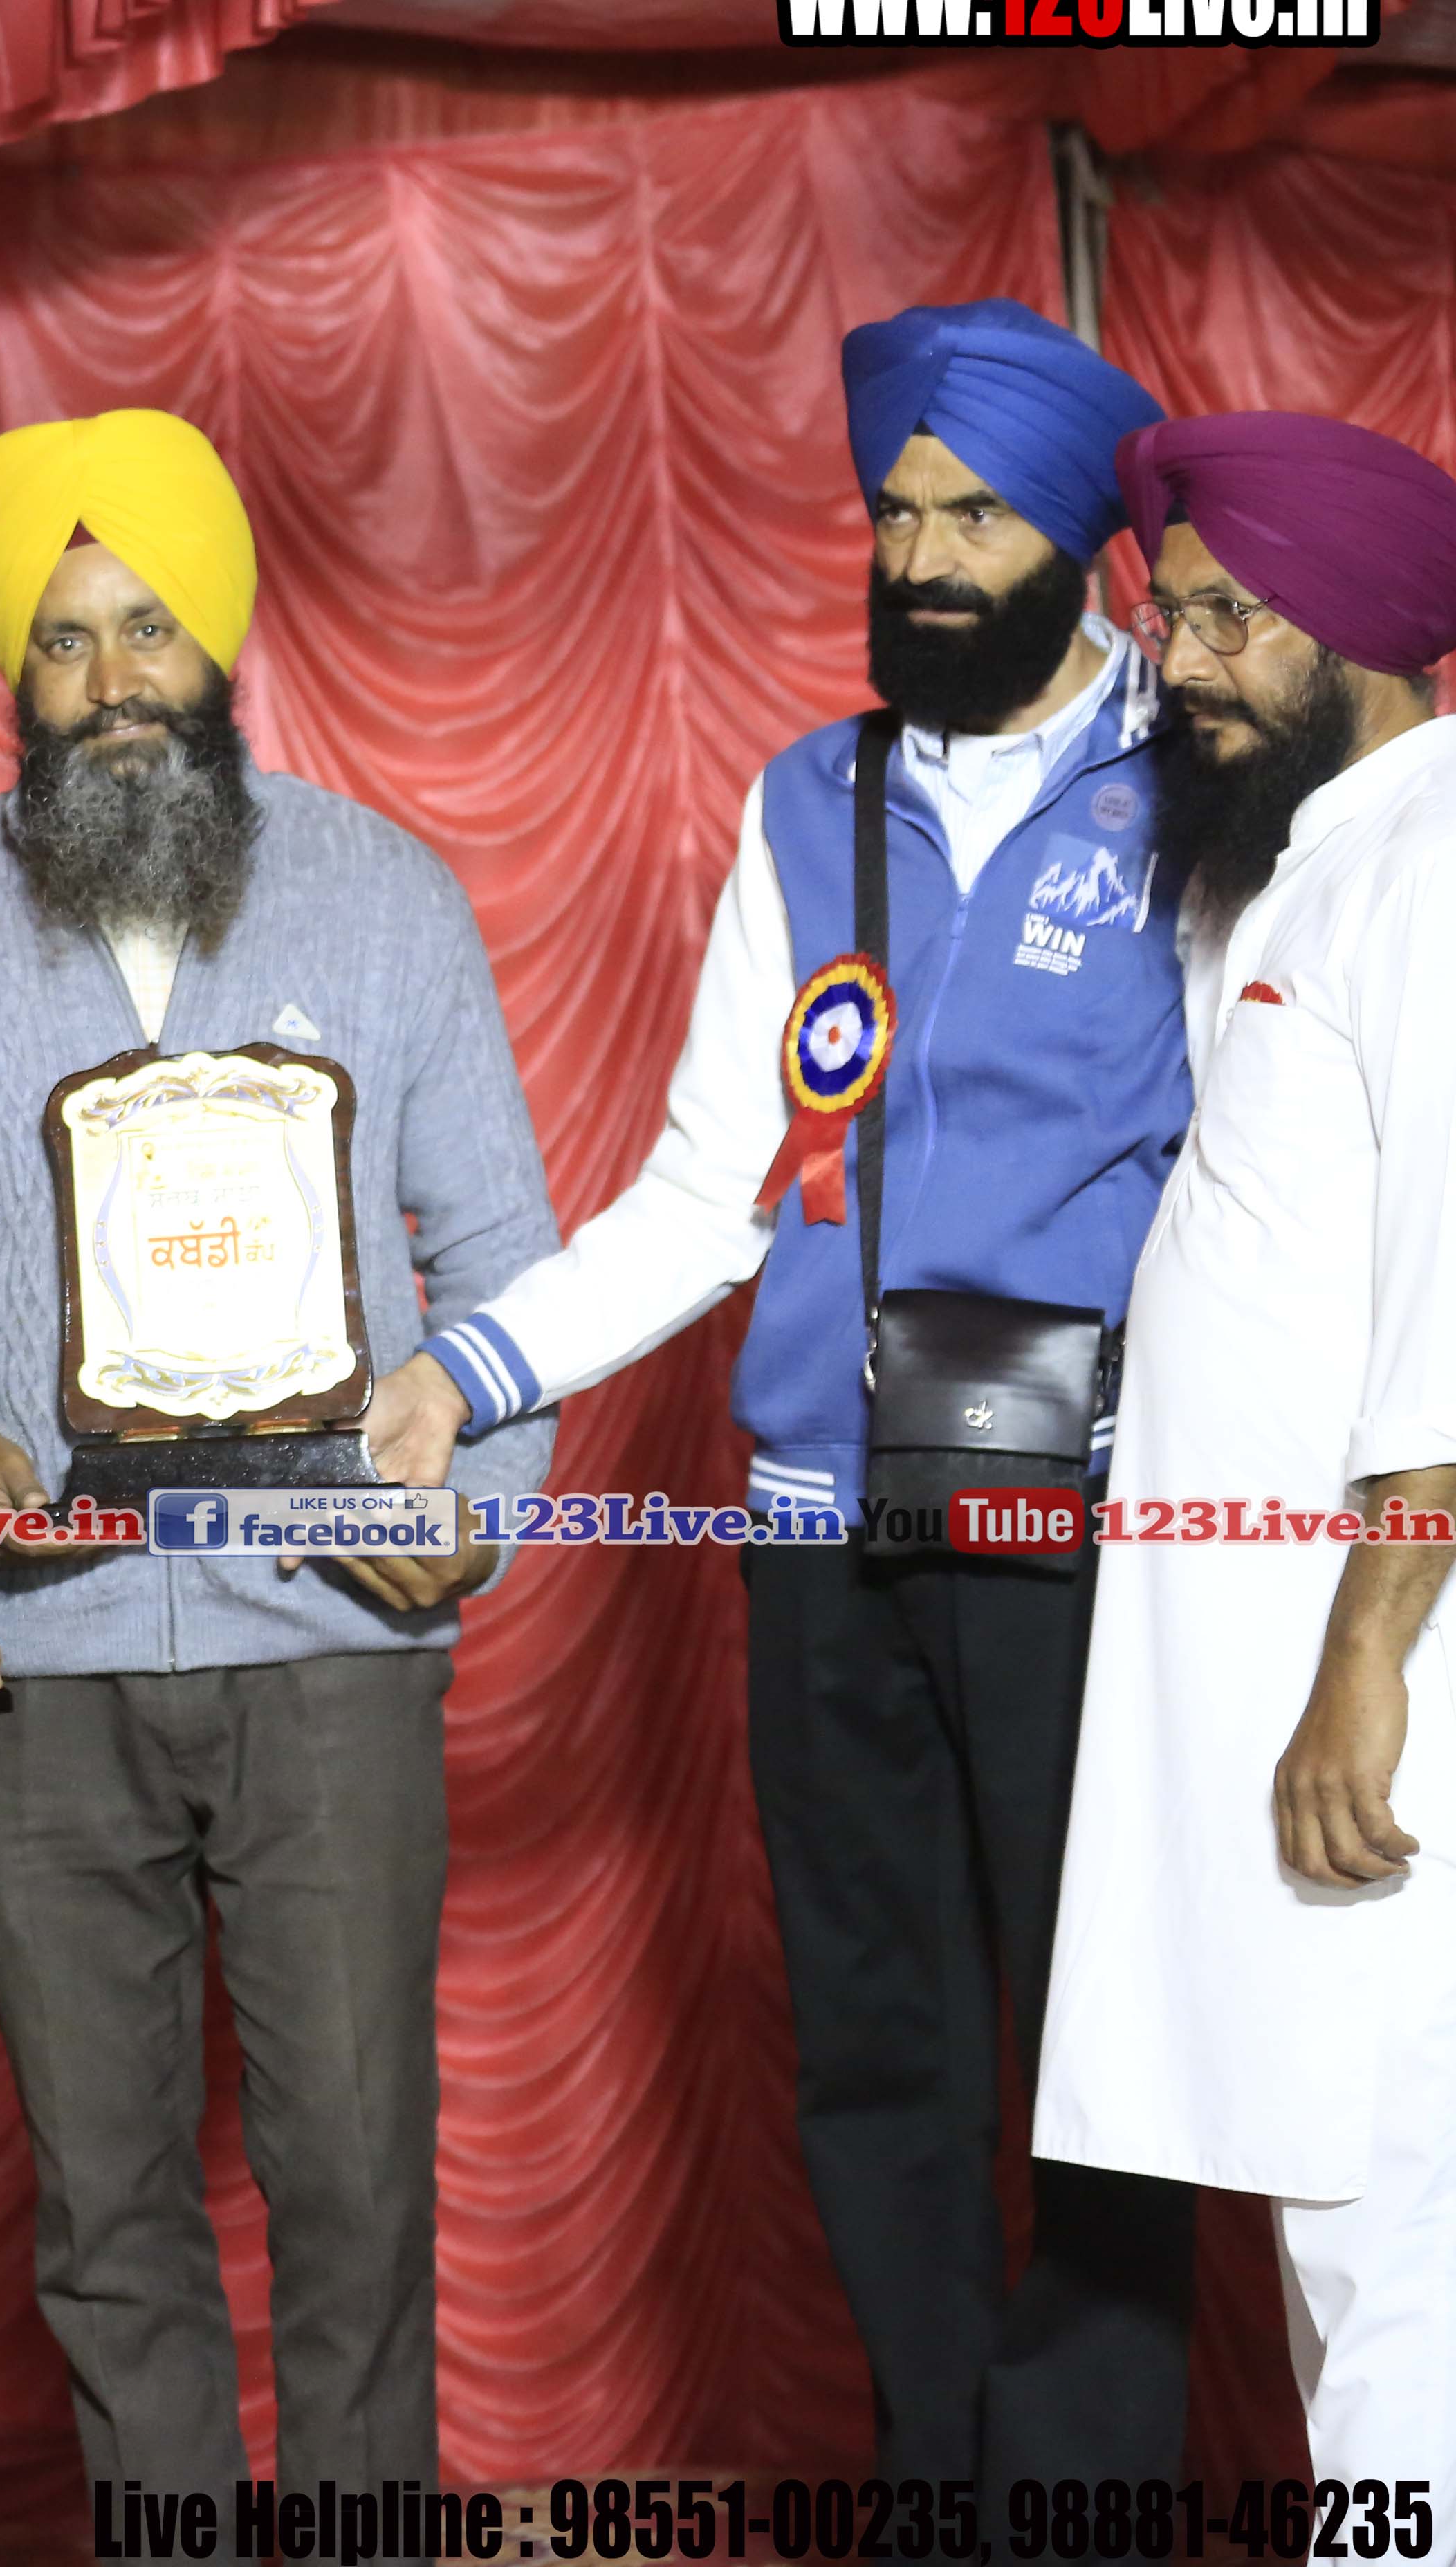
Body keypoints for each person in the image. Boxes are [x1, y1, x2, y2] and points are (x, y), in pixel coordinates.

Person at [369, 302, 1200, 2486]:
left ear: (1080, 540)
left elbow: (1273, 1177)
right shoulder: (812, 799)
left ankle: (1079, 2504)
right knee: (878, 2057)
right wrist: (466, 1368)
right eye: (895, 513)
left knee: (1107, 2056)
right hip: (824, 1525)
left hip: (1089, 1522)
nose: (919, 559)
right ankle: (943, 2484)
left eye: (973, 518)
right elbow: (705, 1191)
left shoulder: (1198, 777)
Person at [0, 410, 556, 2484]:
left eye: (149, 630)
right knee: (107, 2215)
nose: (112, 680)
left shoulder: (388, 897)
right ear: (12, 673)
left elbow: (507, 1253)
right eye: (65, 644)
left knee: (358, 2195)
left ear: (219, 643)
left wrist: (475, 1518)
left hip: (333, 1637)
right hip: (34, 1666)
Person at [1033, 412, 1456, 2476]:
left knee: (1405, 2264)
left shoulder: (1439, 867)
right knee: (1343, 2246)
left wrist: (1365, 1662)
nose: (1180, 661)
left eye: (1230, 621)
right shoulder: (1324, 865)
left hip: (1393, 1686)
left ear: (1362, 634)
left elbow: (1453, 1301)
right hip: (1305, 1679)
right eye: (1173, 615)